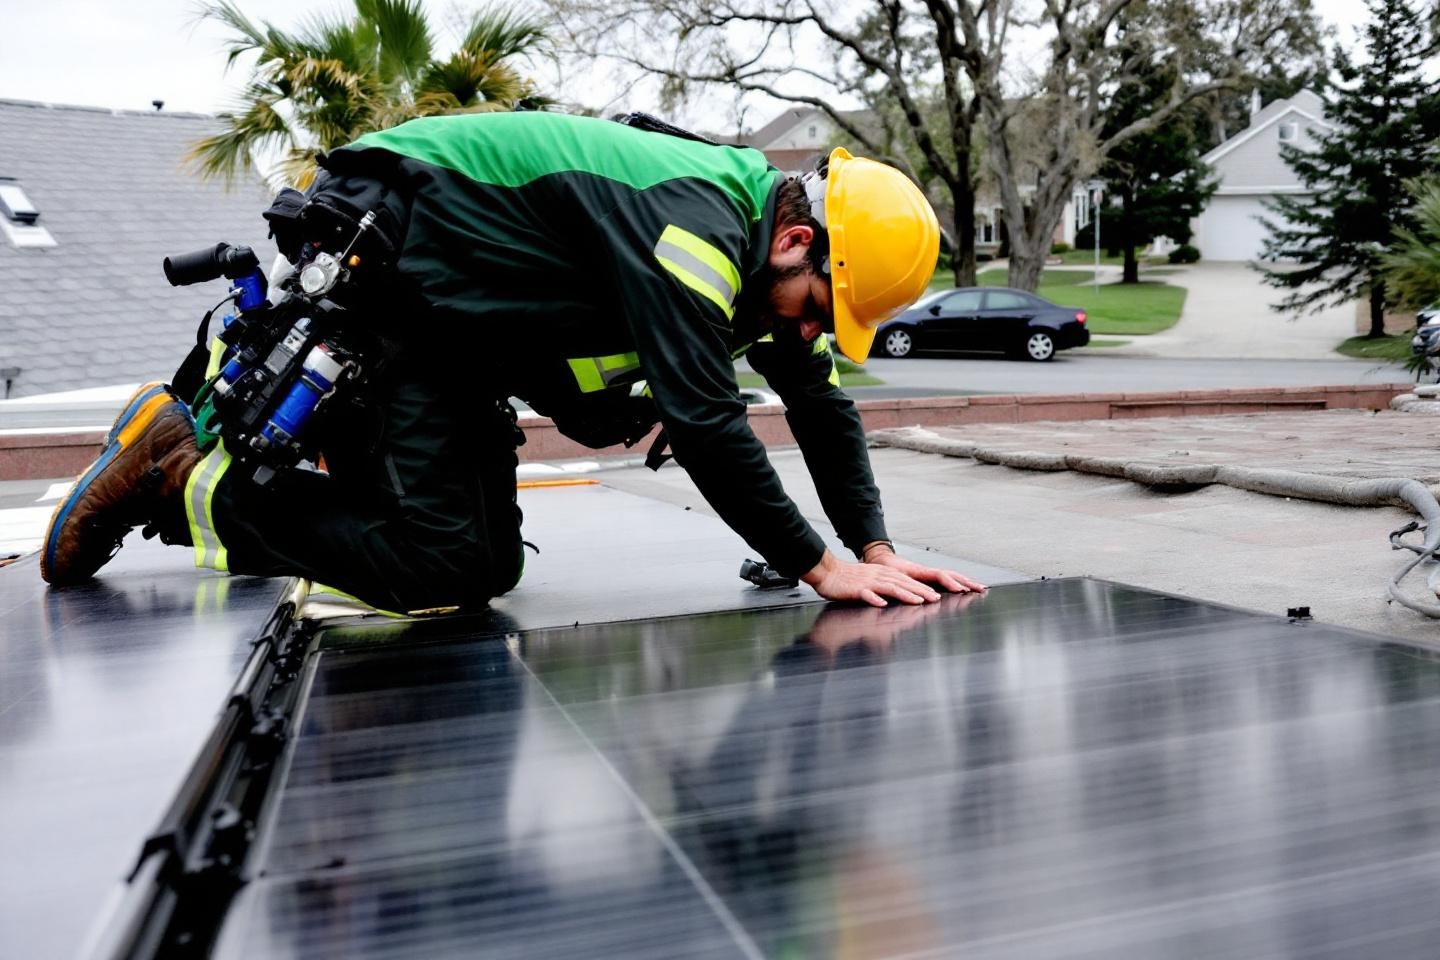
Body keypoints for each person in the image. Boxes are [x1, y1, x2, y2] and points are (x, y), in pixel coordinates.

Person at [39, 111, 986, 611]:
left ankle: (221, 484)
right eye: (823, 310)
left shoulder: (756, 247)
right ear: (797, 245)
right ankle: (183, 473)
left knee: (477, 567)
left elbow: (821, 408)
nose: (815, 337)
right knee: (440, 559)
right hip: (400, 277)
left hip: (454, 325)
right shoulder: (695, 231)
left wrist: (874, 547)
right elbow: (707, 422)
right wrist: (822, 569)